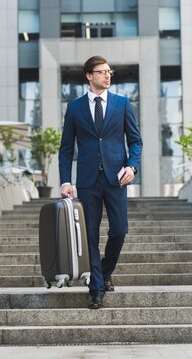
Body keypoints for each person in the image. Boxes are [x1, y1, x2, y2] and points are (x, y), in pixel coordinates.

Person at [58, 55, 143, 309]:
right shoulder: (74, 108)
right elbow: (65, 149)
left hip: (116, 178)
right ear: (89, 75)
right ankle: (96, 289)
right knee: (90, 234)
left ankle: (105, 271)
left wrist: (132, 166)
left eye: (109, 71)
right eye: (102, 71)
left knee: (119, 230)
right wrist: (65, 181)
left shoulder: (123, 104)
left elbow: (136, 141)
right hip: (87, 180)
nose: (107, 75)